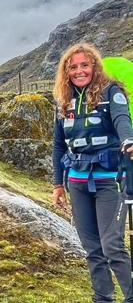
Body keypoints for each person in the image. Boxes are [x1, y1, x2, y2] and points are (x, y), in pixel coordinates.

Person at [52, 43, 133, 303]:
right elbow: (58, 145)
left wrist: (128, 141)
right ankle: (103, 298)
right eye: (73, 67)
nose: (79, 71)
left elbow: (122, 120)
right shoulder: (63, 101)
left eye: (84, 65)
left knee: (113, 248)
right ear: (66, 71)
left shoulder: (112, 92)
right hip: (77, 182)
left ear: (94, 66)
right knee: (92, 250)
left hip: (109, 182)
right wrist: (58, 185)